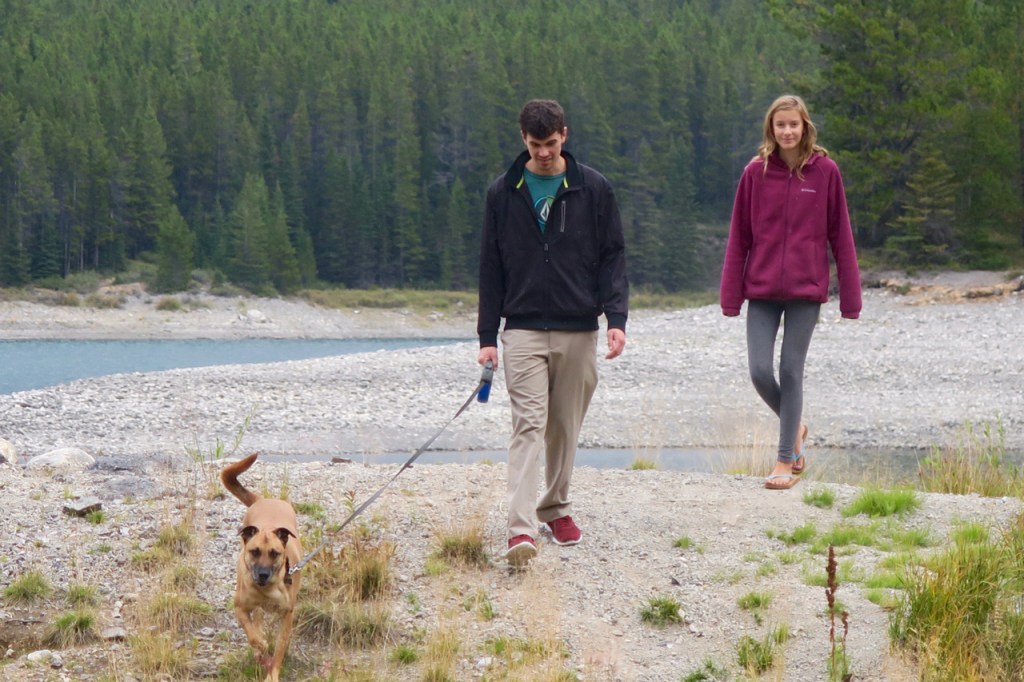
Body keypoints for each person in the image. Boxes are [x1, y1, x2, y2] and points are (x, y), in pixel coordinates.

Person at [477, 99, 628, 566]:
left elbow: (613, 257)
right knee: (528, 425)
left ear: (565, 135)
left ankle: (556, 508)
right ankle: (520, 530)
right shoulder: (504, 191)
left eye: (550, 143)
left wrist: (616, 320)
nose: (543, 153)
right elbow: (490, 266)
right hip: (521, 328)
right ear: (523, 139)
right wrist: (487, 337)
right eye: (535, 144)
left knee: (563, 426)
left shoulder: (593, 188)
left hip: (579, 327)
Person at [720, 94, 861, 491]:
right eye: (780, 125)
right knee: (759, 371)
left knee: (790, 370)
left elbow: (841, 236)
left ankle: (785, 458)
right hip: (762, 290)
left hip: (805, 292)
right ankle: (794, 425)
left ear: (804, 127)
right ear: (771, 128)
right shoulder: (755, 173)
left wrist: (851, 299)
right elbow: (739, 237)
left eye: (793, 124)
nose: (787, 131)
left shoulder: (826, 172)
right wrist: (731, 297)